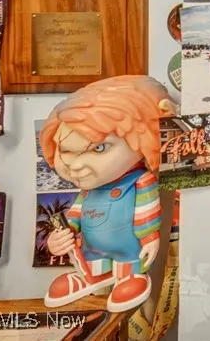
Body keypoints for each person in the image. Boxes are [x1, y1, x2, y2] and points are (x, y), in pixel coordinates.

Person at [39, 76, 172, 312]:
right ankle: (87, 277)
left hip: (129, 253)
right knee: (90, 266)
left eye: (99, 148)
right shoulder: (88, 188)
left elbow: (146, 213)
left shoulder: (141, 181)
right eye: (66, 150)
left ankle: (131, 277)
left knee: (130, 274)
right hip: (91, 253)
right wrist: (61, 236)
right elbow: (75, 216)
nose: (76, 165)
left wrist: (150, 239)